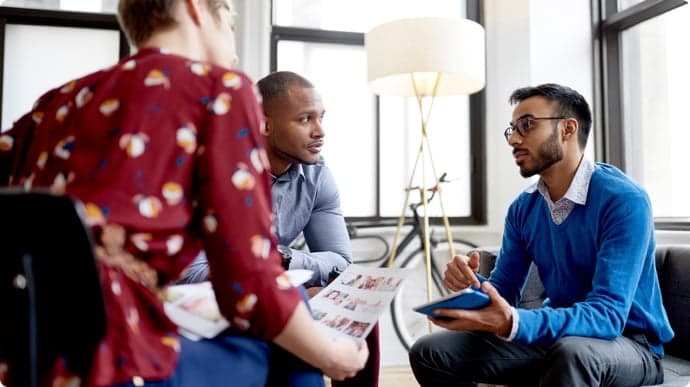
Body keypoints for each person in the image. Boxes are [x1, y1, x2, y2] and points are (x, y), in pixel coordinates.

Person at [0, 1, 367, 386]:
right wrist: (333, 355)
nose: (232, 39)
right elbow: (251, 284)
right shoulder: (218, 89)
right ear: (195, 9)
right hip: (124, 359)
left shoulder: (55, 104)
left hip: (34, 357)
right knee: (292, 324)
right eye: (229, 20)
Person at [409, 83, 674, 386]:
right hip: (561, 337)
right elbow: (504, 291)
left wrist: (514, 321)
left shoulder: (624, 200)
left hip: (630, 342)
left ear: (568, 129)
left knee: (573, 353)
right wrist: (473, 286)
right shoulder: (524, 208)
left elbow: (608, 315)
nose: (514, 139)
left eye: (527, 125)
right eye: (512, 129)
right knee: (430, 351)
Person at [181, 70, 382, 387]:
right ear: (265, 124)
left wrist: (285, 261)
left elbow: (340, 262)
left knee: (355, 304)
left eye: (321, 118)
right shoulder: (217, 173)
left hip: (271, 283)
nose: (320, 131)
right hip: (207, 298)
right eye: (305, 120)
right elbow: (191, 273)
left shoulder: (317, 176)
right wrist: (279, 281)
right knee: (295, 300)